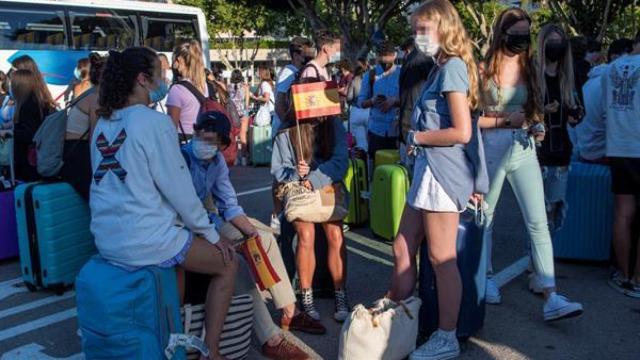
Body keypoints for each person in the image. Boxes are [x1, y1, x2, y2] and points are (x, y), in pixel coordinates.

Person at [90, 47, 236, 360]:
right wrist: (213, 235)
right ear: (143, 80)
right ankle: (212, 350)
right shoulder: (154, 123)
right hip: (144, 240)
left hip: (107, 240)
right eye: (160, 73)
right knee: (228, 263)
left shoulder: (103, 123)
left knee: (178, 263)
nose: (165, 79)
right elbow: (181, 191)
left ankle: (172, 341)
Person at [385, 1, 485, 359]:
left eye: (424, 29)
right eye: (416, 29)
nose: (418, 36)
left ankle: (446, 337)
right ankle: (395, 313)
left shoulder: (453, 68)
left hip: (442, 174)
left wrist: (417, 137)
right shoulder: (439, 68)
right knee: (402, 245)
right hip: (428, 172)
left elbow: (461, 131)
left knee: (442, 260)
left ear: (444, 28)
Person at [182, 111, 325, 359]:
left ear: (223, 145)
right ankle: (270, 336)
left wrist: (250, 232)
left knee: (263, 238)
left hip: (209, 221)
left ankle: (289, 311)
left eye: (213, 142)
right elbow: (184, 211)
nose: (205, 145)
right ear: (194, 133)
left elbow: (228, 204)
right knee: (235, 263)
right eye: (202, 138)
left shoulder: (216, 164)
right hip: (186, 227)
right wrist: (217, 238)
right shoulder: (179, 158)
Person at [478, 7, 583, 321]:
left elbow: (534, 111)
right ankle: (485, 279)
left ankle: (551, 294)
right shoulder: (484, 69)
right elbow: (472, 120)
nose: (523, 38)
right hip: (493, 145)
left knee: (538, 220)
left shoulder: (530, 67)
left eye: (527, 32)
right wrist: (504, 120)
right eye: (518, 32)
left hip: (523, 146)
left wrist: (535, 125)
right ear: (503, 33)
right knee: (486, 219)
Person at [271, 30, 349, 324]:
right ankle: (307, 297)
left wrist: (314, 177)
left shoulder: (334, 125)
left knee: (334, 233)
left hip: (324, 183)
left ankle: (340, 293)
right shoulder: (288, 130)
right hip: (298, 187)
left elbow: (341, 162)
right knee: (305, 235)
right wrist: (297, 173)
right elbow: (278, 169)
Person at [600, 31, 640, 298]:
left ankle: (623, 274)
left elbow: (605, 109)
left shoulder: (609, 69)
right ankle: (638, 280)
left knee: (623, 213)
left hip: (620, 146)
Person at [535, 24, 583, 234]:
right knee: (536, 212)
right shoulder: (533, 76)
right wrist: (542, 110)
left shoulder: (569, 77)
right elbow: (523, 111)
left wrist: (575, 114)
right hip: (536, 152)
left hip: (561, 151)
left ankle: (544, 258)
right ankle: (533, 260)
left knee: (554, 210)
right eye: (551, 43)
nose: (555, 47)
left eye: (559, 43)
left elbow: (579, 110)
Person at [271, 36, 315, 232]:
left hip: (295, 128)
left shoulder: (300, 71)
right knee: (282, 173)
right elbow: (280, 102)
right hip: (286, 129)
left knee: (300, 168)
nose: (309, 54)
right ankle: (277, 213)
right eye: (306, 51)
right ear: (297, 54)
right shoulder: (288, 73)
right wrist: (287, 128)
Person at [576, 38, 633, 163]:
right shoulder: (611, 83)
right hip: (599, 153)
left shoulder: (595, 77)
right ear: (614, 57)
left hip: (586, 149)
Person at [60, 53, 106, 201]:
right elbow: (95, 136)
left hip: (73, 151)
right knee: (98, 198)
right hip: (79, 153)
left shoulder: (90, 94)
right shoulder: (97, 98)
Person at [357, 40, 401, 164]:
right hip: (376, 131)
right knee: (377, 169)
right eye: (382, 56)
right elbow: (360, 103)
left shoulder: (402, 74)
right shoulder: (370, 75)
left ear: (394, 55)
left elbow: (410, 100)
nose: (385, 60)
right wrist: (372, 101)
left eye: (388, 56)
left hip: (396, 132)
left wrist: (394, 101)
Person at [11, 69, 55, 182]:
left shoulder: (28, 105)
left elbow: (31, 134)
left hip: (30, 160)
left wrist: (10, 132)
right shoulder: (39, 101)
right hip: (40, 157)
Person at [398, 35, 435, 171]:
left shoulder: (415, 61)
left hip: (414, 126)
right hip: (418, 126)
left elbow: (409, 99)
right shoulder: (423, 60)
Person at [167, 40, 209, 137]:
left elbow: (171, 127)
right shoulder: (204, 85)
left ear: (179, 60)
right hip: (203, 141)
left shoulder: (177, 89)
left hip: (185, 143)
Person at [345, 59, 369, 151]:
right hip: (368, 111)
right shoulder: (369, 80)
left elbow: (349, 98)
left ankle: (360, 161)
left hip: (356, 111)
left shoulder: (354, 80)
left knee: (357, 141)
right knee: (368, 139)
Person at [229, 69, 250, 164]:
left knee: (234, 136)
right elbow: (247, 103)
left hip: (232, 114)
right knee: (243, 136)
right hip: (243, 113)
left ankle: (236, 158)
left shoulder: (228, 87)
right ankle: (244, 159)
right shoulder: (245, 87)